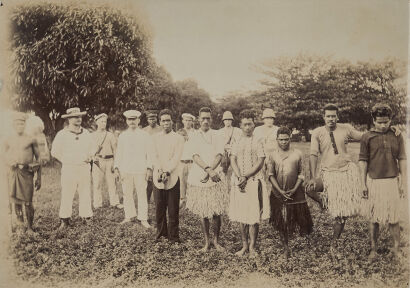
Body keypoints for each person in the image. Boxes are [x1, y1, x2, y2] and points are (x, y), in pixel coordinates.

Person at [305, 103, 366, 257]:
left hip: (346, 173)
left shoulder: (346, 128)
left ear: (337, 117)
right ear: (323, 117)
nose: (331, 119)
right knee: (308, 189)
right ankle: (326, 203)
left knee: (340, 215)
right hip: (328, 174)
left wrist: (388, 130)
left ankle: (334, 245)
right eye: (328, 116)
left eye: (333, 116)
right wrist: (313, 177)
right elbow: (313, 154)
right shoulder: (317, 132)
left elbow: (364, 136)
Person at [359, 104, 406, 260]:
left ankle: (396, 249)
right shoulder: (367, 137)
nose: (383, 125)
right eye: (379, 122)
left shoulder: (397, 135)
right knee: (374, 217)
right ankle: (373, 249)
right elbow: (363, 161)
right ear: (373, 120)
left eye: (386, 122)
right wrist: (363, 183)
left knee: (394, 217)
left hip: (392, 180)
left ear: (390, 120)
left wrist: (403, 181)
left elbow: (402, 159)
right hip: (374, 181)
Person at [185, 107, 228, 252]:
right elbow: (195, 156)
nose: (205, 121)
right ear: (198, 119)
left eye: (208, 118)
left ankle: (216, 241)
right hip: (199, 176)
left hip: (215, 176)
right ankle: (206, 242)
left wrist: (212, 171)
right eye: (203, 118)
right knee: (203, 211)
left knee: (216, 211)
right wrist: (208, 170)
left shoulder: (217, 135)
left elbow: (219, 155)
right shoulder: (194, 136)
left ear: (212, 119)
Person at [268, 126, 313, 258]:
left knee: (301, 220)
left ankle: (302, 240)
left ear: (290, 139)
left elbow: (301, 173)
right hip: (278, 193)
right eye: (281, 140)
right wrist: (280, 190)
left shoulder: (297, 154)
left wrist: (294, 189)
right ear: (277, 139)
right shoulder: (273, 155)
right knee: (281, 221)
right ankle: (285, 247)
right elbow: (271, 175)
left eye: (286, 139)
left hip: (296, 192)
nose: (283, 142)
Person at [229, 110, 265, 257]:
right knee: (241, 214)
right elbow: (233, 159)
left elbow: (260, 160)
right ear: (241, 125)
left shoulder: (258, 140)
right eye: (245, 124)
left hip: (254, 180)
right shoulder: (236, 140)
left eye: (250, 124)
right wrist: (239, 177)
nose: (248, 127)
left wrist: (246, 176)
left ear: (254, 124)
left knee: (253, 215)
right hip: (239, 181)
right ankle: (244, 245)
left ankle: (252, 247)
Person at [51, 108, 94, 229]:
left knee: (85, 192)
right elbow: (54, 152)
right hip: (69, 168)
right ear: (69, 119)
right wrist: (65, 160)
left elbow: (92, 148)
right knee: (67, 193)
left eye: (80, 116)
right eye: (75, 117)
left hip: (84, 168)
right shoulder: (62, 134)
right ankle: (65, 219)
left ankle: (86, 217)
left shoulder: (86, 133)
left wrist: (90, 156)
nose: (78, 119)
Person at [3, 112, 41, 234]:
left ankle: (30, 227)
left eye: (22, 123)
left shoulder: (31, 139)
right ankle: (20, 225)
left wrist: (39, 178)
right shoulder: (8, 139)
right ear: (13, 125)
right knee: (16, 200)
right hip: (13, 172)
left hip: (27, 173)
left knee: (28, 201)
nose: (20, 125)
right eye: (17, 123)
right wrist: (9, 162)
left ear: (25, 124)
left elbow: (38, 158)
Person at [114, 110, 152, 228]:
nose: (132, 122)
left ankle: (143, 218)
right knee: (127, 193)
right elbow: (119, 153)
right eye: (129, 119)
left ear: (138, 120)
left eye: (134, 119)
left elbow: (150, 153)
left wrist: (149, 168)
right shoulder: (123, 136)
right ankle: (129, 216)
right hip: (126, 169)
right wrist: (116, 168)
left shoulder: (145, 135)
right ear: (126, 121)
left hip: (141, 169)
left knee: (142, 194)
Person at [151, 109, 184, 243]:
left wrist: (167, 171)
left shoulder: (179, 138)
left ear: (172, 122)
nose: (166, 123)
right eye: (163, 120)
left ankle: (173, 237)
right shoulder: (154, 138)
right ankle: (161, 234)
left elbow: (176, 157)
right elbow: (154, 156)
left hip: (173, 176)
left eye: (168, 120)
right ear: (160, 122)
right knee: (159, 208)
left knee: (172, 209)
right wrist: (160, 170)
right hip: (158, 176)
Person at [91, 113, 122, 210]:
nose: (103, 123)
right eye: (101, 122)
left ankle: (115, 202)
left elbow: (115, 150)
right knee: (97, 183)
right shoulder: (92, 136)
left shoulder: (110, 135)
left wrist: (115, 163)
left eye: (105, 122)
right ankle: (97, 203)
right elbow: (90, 149)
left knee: (112, 182)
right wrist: (93, 157)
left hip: (110, 160)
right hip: (98, 160)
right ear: (96, 122)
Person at [218, 111, 241, 192]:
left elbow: (240, 143)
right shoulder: (219, 132)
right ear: (223, 121)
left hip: (234, 155)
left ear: (232, 120)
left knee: (234, 173)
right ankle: (225, 191)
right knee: (223, 173)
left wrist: (232, 147)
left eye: (229, 119)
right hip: (224, 155)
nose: (227, 121)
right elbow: (217, 144)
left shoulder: (238, 131)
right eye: (226, 120)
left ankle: (234, 190)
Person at [143, 110, 163, 204]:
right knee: (148, 180)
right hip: (147, 157)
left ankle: (158, 200)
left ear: (157, 119)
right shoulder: (144, 130)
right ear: (147, 119)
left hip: (159, 156)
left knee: (158, 178)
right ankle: (146, 200)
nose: (152, 120)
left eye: (154, 118)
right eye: (150, 118)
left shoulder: (161, 129)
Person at [179, 113, 196, 208]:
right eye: (186, 120)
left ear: (192, 122)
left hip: (192, 161)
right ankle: (182, 199)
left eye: (189, 120)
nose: (188, 122)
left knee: (191, 180)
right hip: (182, 161)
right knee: (182, 180)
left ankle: (191, 200)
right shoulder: (179, 133)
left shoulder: (196, 133)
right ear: (183, 121)